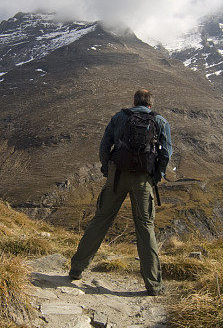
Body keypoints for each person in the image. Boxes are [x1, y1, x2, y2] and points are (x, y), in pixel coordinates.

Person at [69, 88, 172, 295]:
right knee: (145, 228)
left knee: (100, 220)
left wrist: (108, 169)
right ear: (151, 104)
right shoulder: (160, 121)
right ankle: (154, 285)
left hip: (117, 177)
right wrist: (156, 176)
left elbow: (105, 145)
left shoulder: (119, 117)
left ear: (133, 102)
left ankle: (77, 269)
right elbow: (167, 152)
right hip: (143, 180)